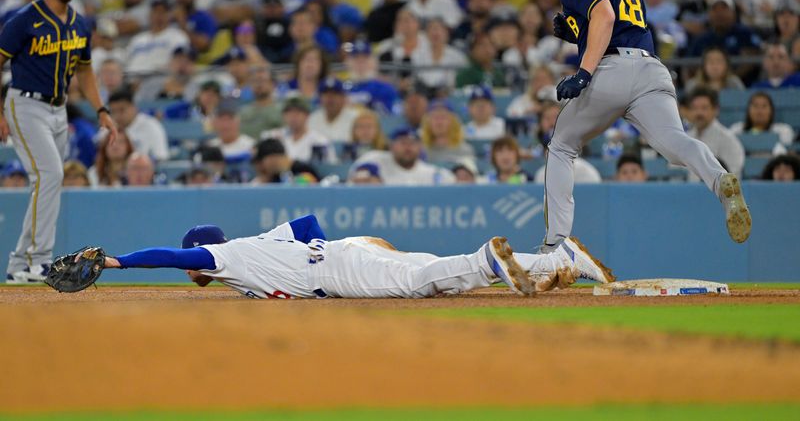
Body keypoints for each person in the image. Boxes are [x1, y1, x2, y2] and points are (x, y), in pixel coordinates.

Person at [542, 0, 751, 254]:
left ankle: (555, 246)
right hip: (651, 68)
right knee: (675, 142)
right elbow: (618, 22)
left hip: (610, 71)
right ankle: (719, 179)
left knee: (562, 146)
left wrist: (583, 73)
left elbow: (606, 17)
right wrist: (577, 31)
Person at [88, 214, 615, 298]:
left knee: (423, 282)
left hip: (340, 266)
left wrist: (116, 263)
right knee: (436, 278)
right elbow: (311, 225)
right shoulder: (260, 242)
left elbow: (168, 257)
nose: (192, 270)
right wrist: (329, 251)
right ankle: (560, 260)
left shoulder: (224, 257)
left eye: (193, 264)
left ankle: (488, 258)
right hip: (347, 250)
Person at [0, 0, 118, 284]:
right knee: (50, 174)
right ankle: (38, 261)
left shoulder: (79, 23)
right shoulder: (25, 19)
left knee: (48, 180)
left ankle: (19, 264)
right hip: (24, 103)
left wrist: (102, 110)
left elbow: (85, 71)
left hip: (58, 109)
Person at [686, 87, 745, 180]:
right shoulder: (686, 138)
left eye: (704, 108)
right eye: (695, 108)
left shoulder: (728, 140)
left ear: (716, 110)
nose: (699, 113)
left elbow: (733, 175)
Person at [107, 88, 169, 161]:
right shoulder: (108, 128)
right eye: (113, 111)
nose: (117, 116)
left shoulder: (152, 126)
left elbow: (161, 157)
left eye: (122, 110)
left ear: (133, 107)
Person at [729, 92, 795, 148]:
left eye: (764, 106)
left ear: (771, 111)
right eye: (755, 106)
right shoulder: (736, 130)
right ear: (748, 110)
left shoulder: (783, 130)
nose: (759, 110)